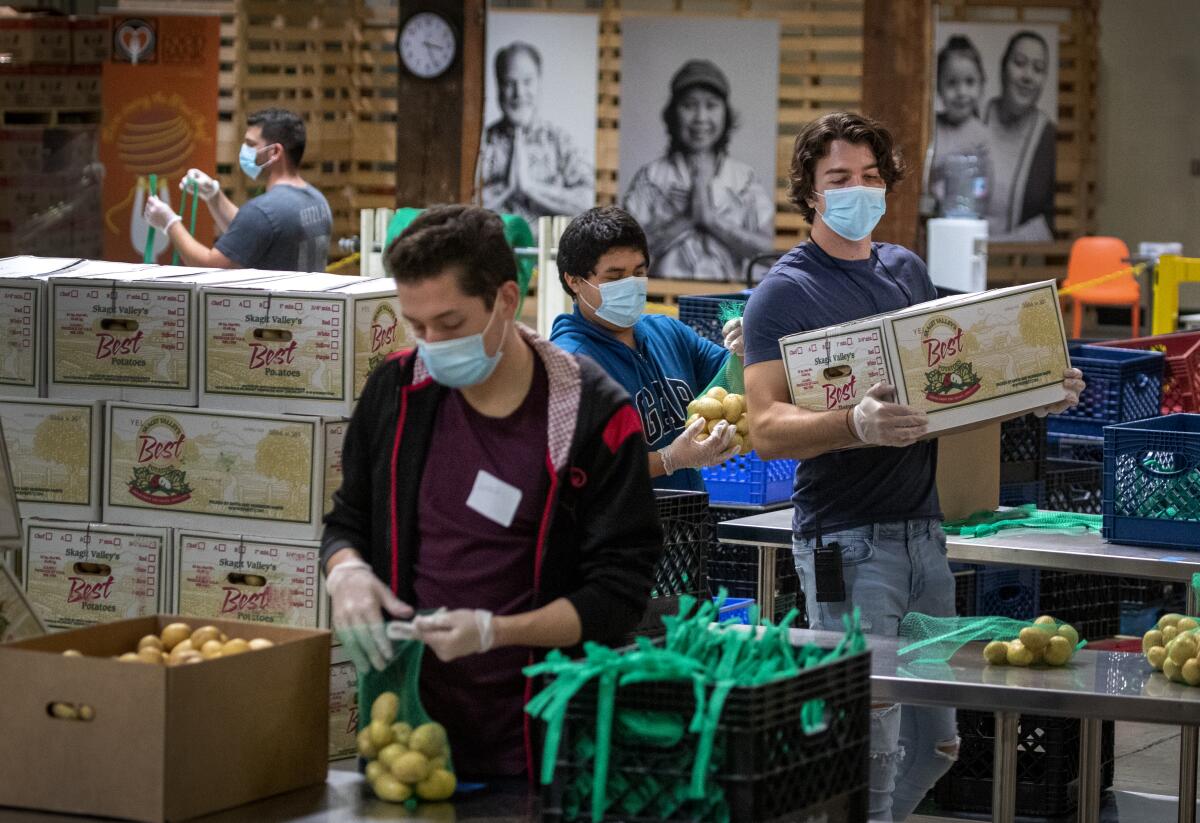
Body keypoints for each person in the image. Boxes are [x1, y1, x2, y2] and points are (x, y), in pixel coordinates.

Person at [740, 112, 1084, 821]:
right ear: (809, 190)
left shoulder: (906, 271)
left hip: (925, 539)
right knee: (868, 743)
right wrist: (849, 422)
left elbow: (950, 393)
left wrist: (1035, 392)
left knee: (937, 743)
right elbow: (767, 428)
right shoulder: (783, 292)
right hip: (846, 541)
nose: (857, 190)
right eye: (839, 178)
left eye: (870, 177)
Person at [321, 205, 662, 779]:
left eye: (450, 325)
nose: (430, 343)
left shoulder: (593, 416)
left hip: (542, 744)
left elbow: (618, 594)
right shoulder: (398, 392)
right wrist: (347, 573)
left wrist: (495, 632)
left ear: (506, 299)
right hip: (407, 734)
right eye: (416, 325)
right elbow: (347, 521)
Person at [549, 206, 742, 492]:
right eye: (614, 278)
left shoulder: (667, 332)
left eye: (638, 273)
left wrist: (747, 350)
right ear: (574, 281)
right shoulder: (570, 363)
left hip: (687, 521)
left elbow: (728, 380)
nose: (629, 285)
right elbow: (581, 467)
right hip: (620, 531)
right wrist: (669, 460)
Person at [623, 59, 773, 281]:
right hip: (663, 301)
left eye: (711, 105)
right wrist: (688, 218)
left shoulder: (745, 179)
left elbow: (770, 253)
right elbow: (625, 252)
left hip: (727, 304)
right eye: (689, 105)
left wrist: (711, 220)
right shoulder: (650, 177)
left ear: (725, 113)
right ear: (673, 113)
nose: (701, 118)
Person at [143, 107, 333, 272]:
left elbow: (211, 268)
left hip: (268, 312)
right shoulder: (317, 200)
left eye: (251, 145)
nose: (244, 151)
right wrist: (213, 196)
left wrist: (169, 223)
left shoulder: (264, 211)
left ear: (274, 152)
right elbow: (252, 233)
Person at [480, 42, 594, 223]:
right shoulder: (480, 144)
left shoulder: (561, 142)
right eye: (510, 83)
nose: (519, 93)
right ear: (498, 86)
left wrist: (532, 188)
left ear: (539, 82)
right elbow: (459, 204)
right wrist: (506, 188)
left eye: (527, 82)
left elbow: (587, 202)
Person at [983, 30, 1056, 242]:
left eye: (1038, 69)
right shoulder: (975, 117)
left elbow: (1050, 220)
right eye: (1020, 63)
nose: (1027, 77)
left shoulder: (1049, 138)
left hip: (1020, 266)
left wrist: (998, 247)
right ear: (1003, 67)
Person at [929, 35, 992, 216]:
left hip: (969, 217)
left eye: (969, 82)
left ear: (981, 84)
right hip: (933, 217)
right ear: (938, 87)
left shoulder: (982, 136)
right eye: (952, 83)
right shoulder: (930, 128)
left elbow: (985, 189)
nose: (961, 92)